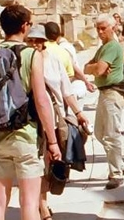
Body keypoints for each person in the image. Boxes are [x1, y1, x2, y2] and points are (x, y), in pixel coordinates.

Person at [0, 5, 60, 220]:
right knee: (29, 200)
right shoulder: (30, 54)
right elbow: (41, 100)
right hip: (25, 134)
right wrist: (53, 141)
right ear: (25, 26)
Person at [27, 25, 88, 219]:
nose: (35, 44)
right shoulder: (23, 59)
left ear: (45, 42)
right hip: (30, 120)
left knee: (51, 162)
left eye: (38, 41)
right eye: (31, 40)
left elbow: (66, 90)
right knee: (38, 164)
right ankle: (42, 207)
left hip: (53, 118)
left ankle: (43, 202)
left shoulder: (54, 59)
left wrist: (79, 112)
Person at [84, 14, 124, 189]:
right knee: (99, 133)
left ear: (113, 27)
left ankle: (116, 173)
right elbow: (87, 67)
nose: (100, 32)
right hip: (103, 93)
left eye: (104, 28)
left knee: (111, 134)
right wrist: (94, 67)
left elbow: (99, 69)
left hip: (112, 92)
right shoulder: (103, 47)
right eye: (98, 28)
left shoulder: (112, 47)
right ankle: (120, 164)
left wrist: (95, 67)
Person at [44, 22, 94, 96]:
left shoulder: (61, 48)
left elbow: (73, 67)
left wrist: (86, 82)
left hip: (72, 88)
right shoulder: (66, 45)